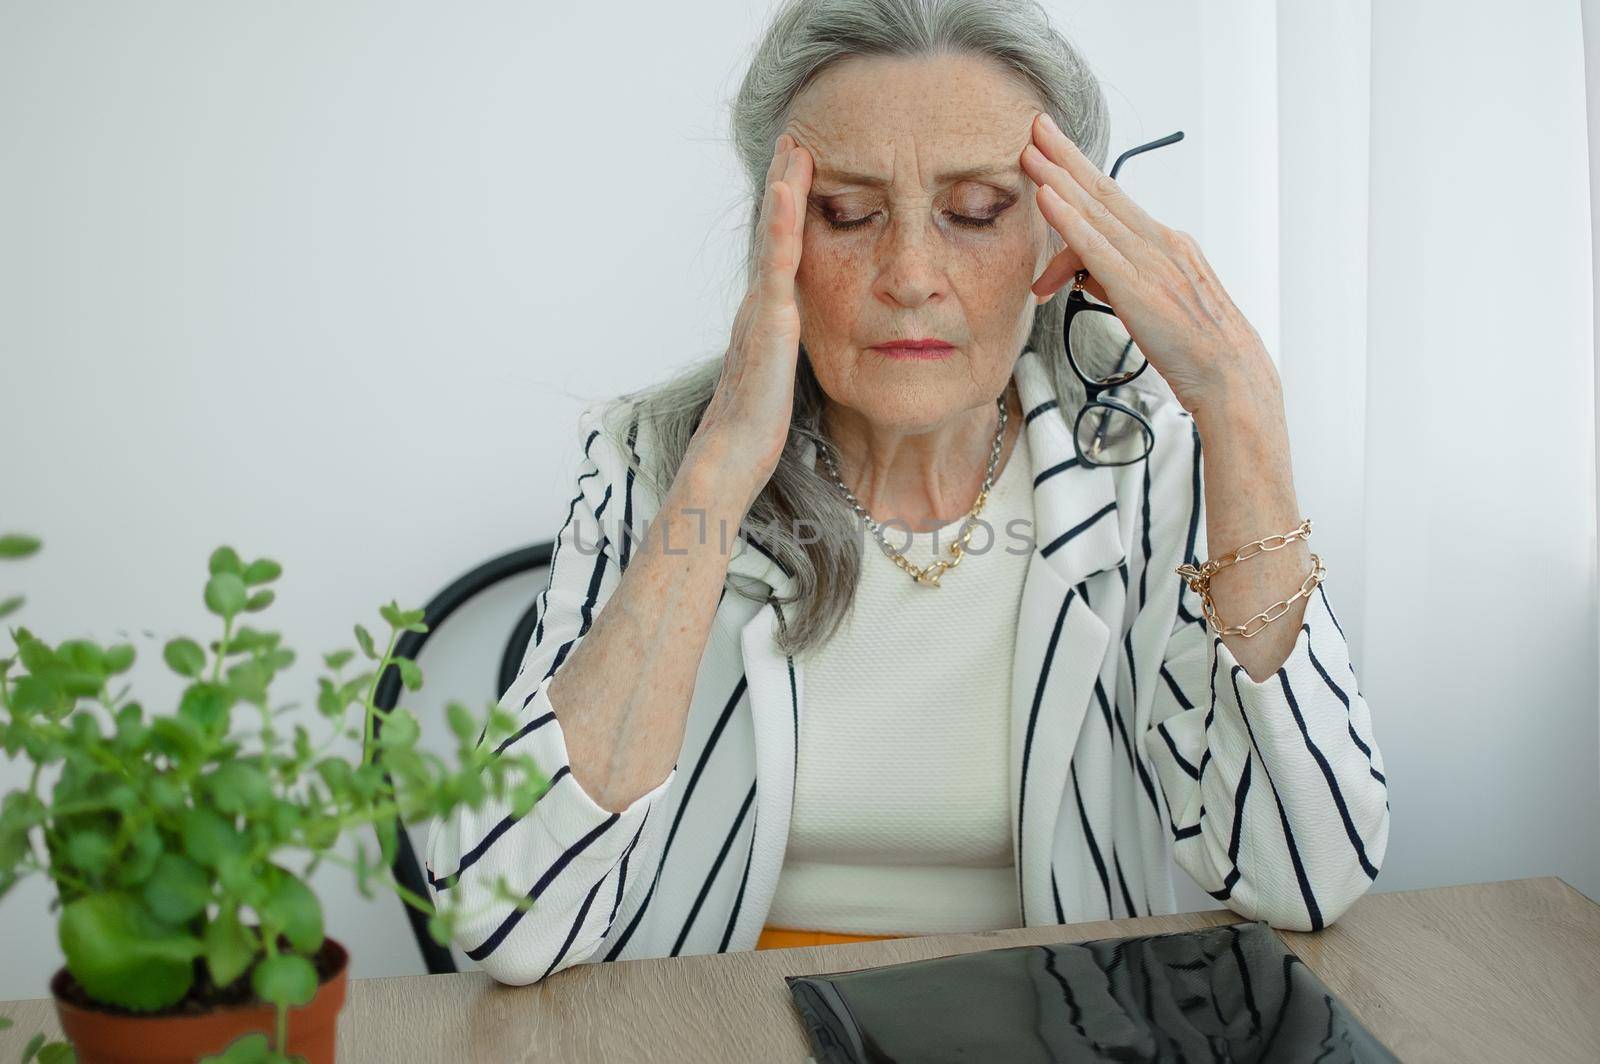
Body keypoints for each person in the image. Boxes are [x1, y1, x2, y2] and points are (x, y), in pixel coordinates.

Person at [425, 0, 1390, 985]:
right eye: (847, 212)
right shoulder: (647, 462)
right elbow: (505, 919)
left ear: (1059, 234)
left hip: (1059, 1026)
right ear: (779, 234)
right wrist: (714, 477)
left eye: (975, 212)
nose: (912, 275)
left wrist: (1242, 411)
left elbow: (1304, 876)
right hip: (721, 1026)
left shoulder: (1141, 463)